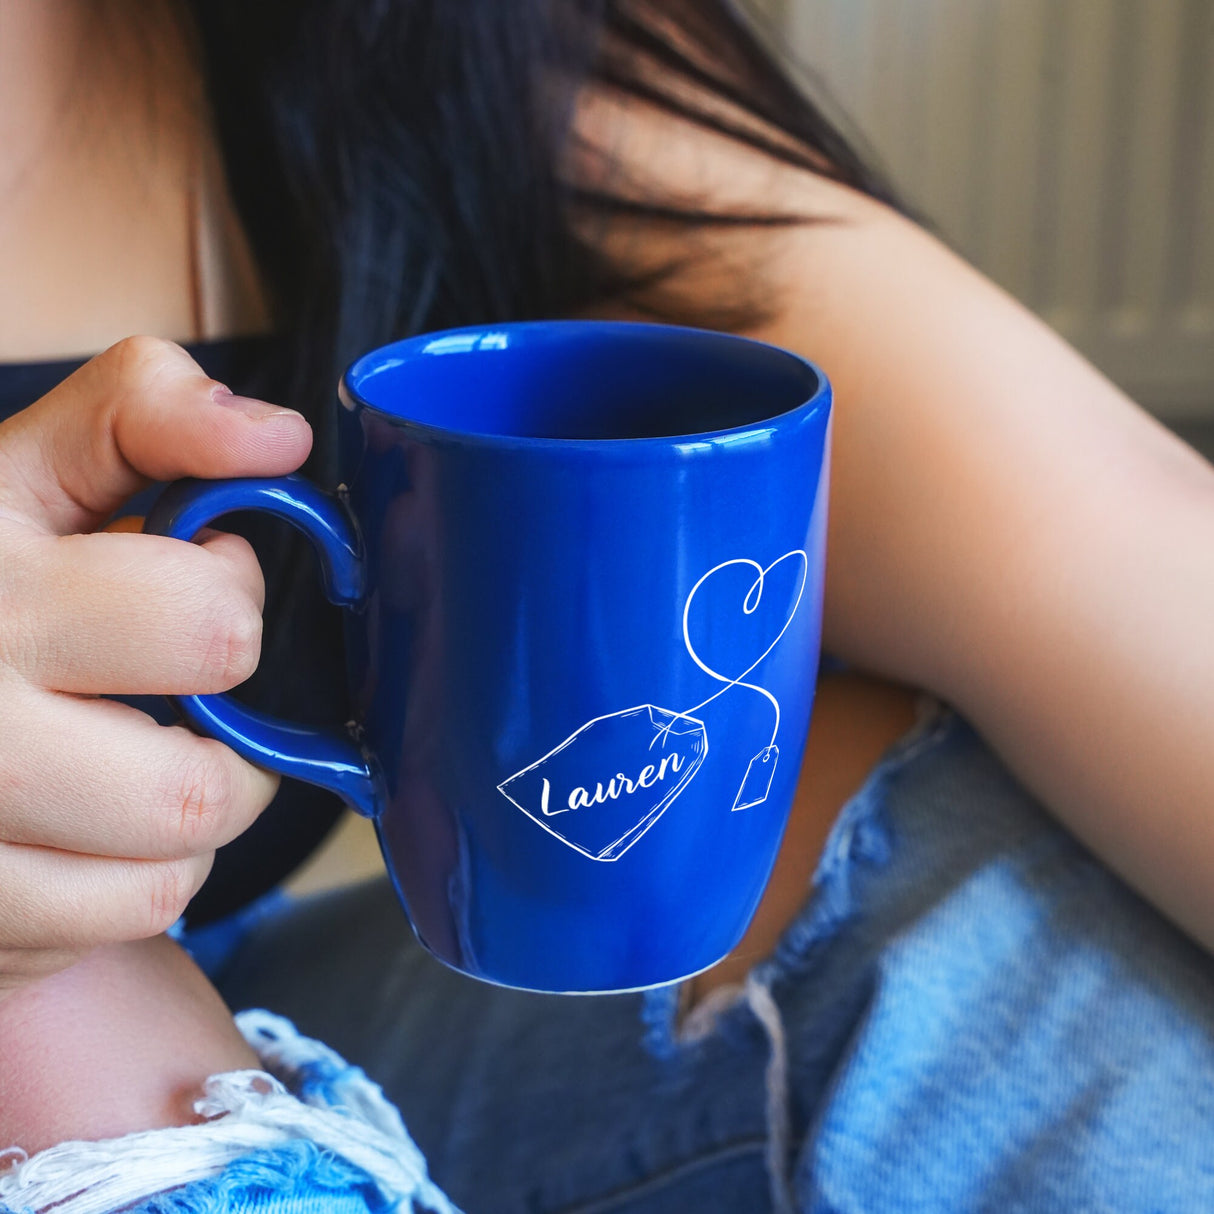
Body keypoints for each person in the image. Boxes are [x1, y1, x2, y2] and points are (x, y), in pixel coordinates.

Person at [2, 0, 1214, 1211]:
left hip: (252, 991)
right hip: (113, 1081)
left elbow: (1121, 548)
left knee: (953, 858)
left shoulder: (404, 44)